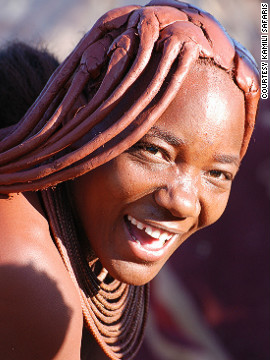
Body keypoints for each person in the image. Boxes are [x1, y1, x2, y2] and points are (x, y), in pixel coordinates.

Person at [0, 1, 260, 359]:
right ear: (82, 123)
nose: (183, 200)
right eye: (154, 152)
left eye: (217, 174)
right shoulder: (26, 272)